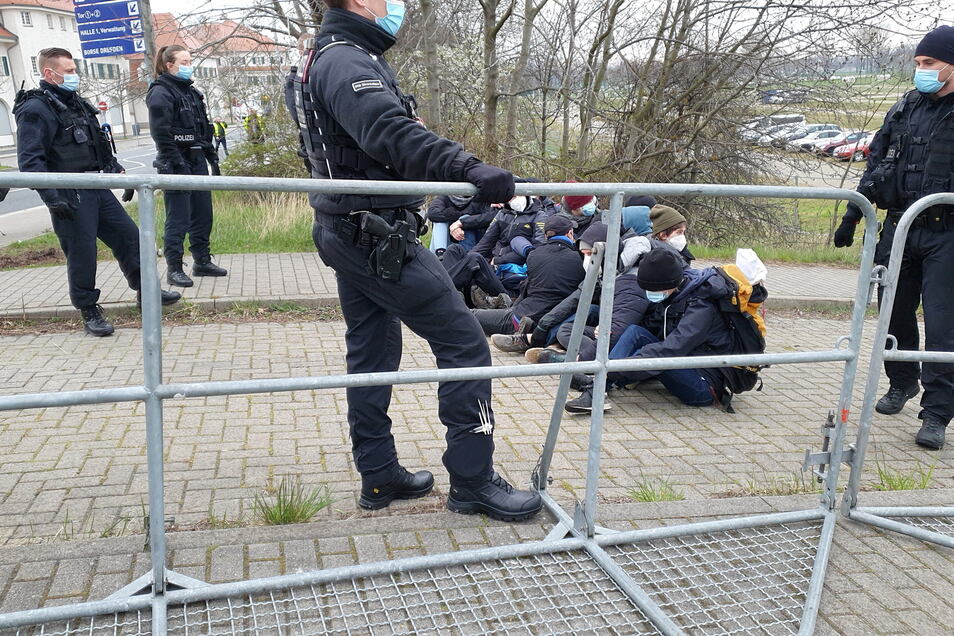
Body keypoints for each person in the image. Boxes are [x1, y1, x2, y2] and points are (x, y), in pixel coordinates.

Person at [294, 0, 542, 521]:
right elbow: (387, 132)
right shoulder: (346, 61)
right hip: (374, 235)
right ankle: (473, 481)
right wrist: (468, 167)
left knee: (372, 352)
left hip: (350, 227)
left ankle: (379, 475)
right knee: (466, 344)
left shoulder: (328, 54)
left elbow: (352, 141)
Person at [832, 25, 954, 450]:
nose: (921, 71)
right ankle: (902, 382)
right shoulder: (905, 108)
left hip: (948, 235)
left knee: (943, 325)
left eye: (930, 64)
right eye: (918, 63)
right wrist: (853, 214)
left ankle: (938, 412)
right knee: (893, 314)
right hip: (901, 227)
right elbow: (876, 163)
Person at [14, 47, 180, 337]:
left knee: (130, 238)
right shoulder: (35, 109)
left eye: (74, 70)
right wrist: (52, 197)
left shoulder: (77, 103)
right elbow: (31, 161)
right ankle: (89, 310)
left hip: (97, 188)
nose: (74, 76)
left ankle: (147, 293)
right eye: (68, 72)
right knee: (82, 253)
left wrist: (118, 173)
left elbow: (98, 148)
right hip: (69, 193)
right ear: (49, 74)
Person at [564, 249, 737, 413]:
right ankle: (600, 386)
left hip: (704, 385)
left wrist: (622, 367)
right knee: (634, 331)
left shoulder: (701, 307)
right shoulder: (673, 294)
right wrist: (608, 329)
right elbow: (648, 327)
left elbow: (672, 349)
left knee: (656, 355)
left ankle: (599, 386)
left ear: (670, 284)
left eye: (653, 290)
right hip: (684, 363)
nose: (649, 294)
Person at [147, 44, 228, 288]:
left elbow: (202, 129)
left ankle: (202, 260)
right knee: (178, 217)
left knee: (203, 214)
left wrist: (212, 157)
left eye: (189, 60)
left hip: (196, 159)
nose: (188, 66)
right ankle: (174, 268)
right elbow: (161, 134)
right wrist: (178, 163)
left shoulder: (191, 92)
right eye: (183, 62)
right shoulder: (161, 92)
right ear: (169, 65)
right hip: (175, 162)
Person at [480, 214, 584, 343]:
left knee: (473, 315)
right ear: (570, 233)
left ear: (546, 236)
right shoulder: (580, 259)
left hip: (521, 316)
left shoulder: (534, 255)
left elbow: (526, 288)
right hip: (555, 320)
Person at [426, 195, 495, 252]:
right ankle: (440, 255)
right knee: (440, 223)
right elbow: (432, 213)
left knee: (466, 218)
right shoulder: (445, 197)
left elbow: (490, 217)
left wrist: (461, 222)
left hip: (473, 244)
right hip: (447, 242)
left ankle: (467, 260)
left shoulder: (480, 200)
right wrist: (454, 225)